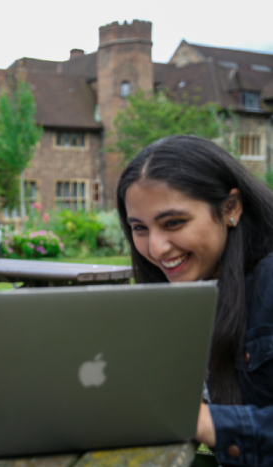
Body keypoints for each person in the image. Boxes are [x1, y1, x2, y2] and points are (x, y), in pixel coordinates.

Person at [117, 135, 273, 466]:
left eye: (173, 223)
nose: (156, 249)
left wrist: (205, 423)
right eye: (140, 228)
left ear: (231, 207)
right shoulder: (181, 296)